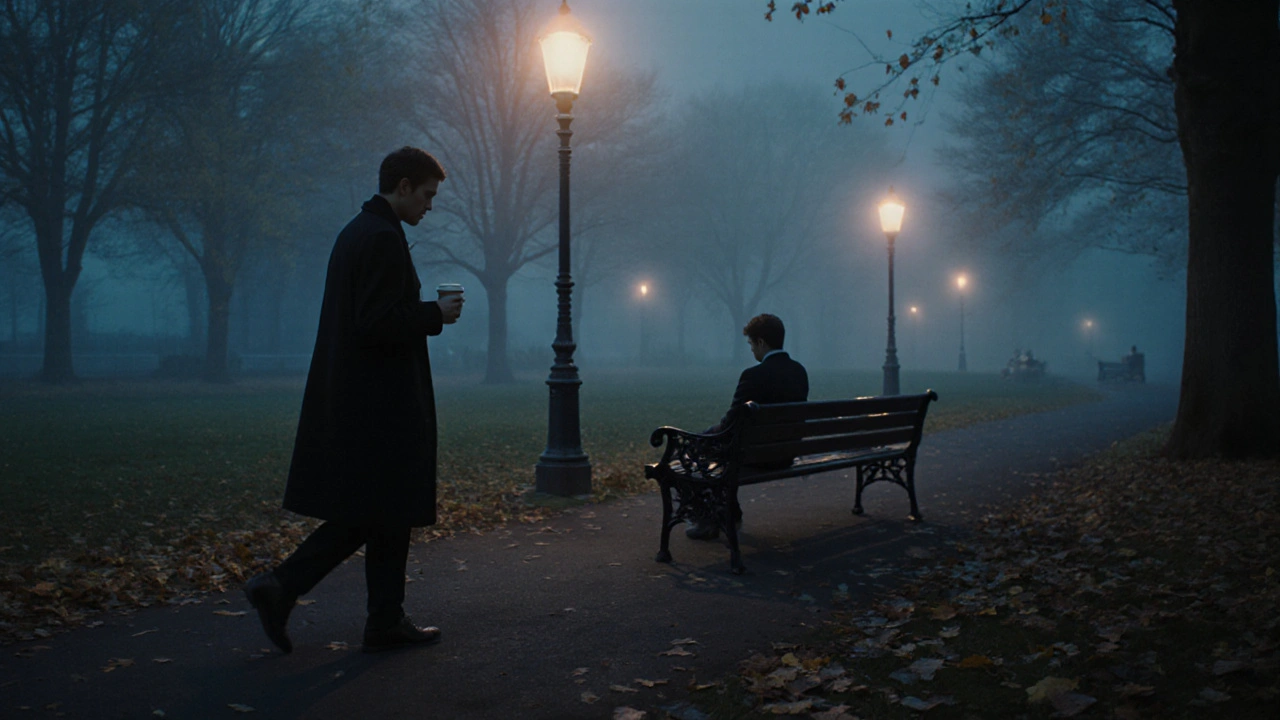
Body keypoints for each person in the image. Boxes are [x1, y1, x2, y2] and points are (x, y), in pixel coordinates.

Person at [243, 147, 464, 654]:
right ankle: (284, 587)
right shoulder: (383, 239)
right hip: (380, 406)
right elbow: (376, 323)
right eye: (427, 194)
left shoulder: (357, 232)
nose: (431, 205)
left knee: (384, 512)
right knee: (374, 513)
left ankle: (381, 619)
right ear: (403, 186)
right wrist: (435, 314)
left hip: (359, 400)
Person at [687, 313, 808, 541]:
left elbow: (730, 425)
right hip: (785, 454)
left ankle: (708, 520)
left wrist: (702, 436)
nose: (752, 350)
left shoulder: (754, 375)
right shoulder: (799, 372)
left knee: (694, 447)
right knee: (716, 451)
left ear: (761, 342)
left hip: (755, 456)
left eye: (752, 344)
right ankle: (729, 513)